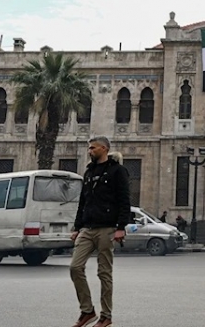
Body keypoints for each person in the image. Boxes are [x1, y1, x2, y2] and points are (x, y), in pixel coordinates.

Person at [69, 136, 131, 327]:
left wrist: (121, 228)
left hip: (107, 228)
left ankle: (106, 316)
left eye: (93, 148)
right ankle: (87, 311)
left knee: (104, 273)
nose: (90, 151)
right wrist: (77, 227)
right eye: (89, 148)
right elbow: (83, 201)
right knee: (75, 267)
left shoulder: (117, 171)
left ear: (104, 149)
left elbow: (124, 200)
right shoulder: (88, 172)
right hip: (87, 228)